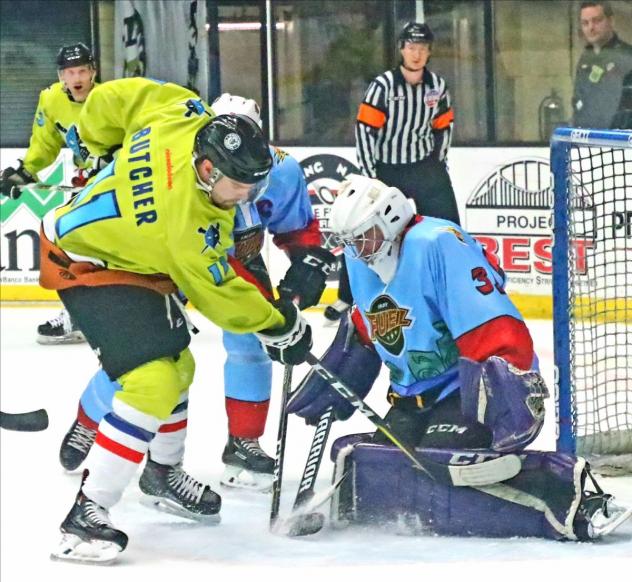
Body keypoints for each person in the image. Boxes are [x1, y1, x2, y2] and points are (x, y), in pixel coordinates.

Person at [43, 81, 313, 563]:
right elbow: (222, 298)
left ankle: (162, 474)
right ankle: (87, 512)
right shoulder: (190, 223)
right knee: (153, 380)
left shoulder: (183, 110)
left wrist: (93, 135)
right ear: (208, 170)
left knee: (179, 367)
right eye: (239, 186)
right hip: (86, 264)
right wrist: (281, 325)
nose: (247, 194)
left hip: (131, 259)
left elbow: (113, 99)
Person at [287, 174, 631, 541]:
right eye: (347, 241)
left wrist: (511, 389)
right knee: (388, 466)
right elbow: (369, 323)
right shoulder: (361, 260)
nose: (355, 249)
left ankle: (570, 498)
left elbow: (489, 319)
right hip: (410, 398)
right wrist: (344, 369)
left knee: (440, 467)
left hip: (467, 394)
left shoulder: (436, 244)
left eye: (362, 237)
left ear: (389, 219)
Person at [326, 21, 459, 325]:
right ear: (401, 49)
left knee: (448, 226)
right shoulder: (383, 86)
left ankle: (454, 285)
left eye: (422, 48)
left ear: (429, 52)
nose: (416, 54)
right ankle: (347, 296)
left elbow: (444, 126)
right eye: (411, 47)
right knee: (361, 228)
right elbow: (365, 130)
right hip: (386, 168)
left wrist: (438, 163)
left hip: (424, 166)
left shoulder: (437, 86)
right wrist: (370, 174)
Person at [0, 43, 102, 345]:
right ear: (61, 76)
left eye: (83, 70)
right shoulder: (51, 100)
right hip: (87, 185)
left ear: (93, 72)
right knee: (69, 242)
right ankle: (78, 314)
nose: (77, 77)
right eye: (71, 72)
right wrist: (26, 171)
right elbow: (44, 145)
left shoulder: (111, 97)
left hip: (120, 183)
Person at [572, 1, 632, 129]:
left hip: (619, 143)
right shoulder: (585, 60)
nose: (591, 27)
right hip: (586, 143)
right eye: (585, 23)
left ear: (611, 21)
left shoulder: (627, 57)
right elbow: (578, 103)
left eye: (596, 21)